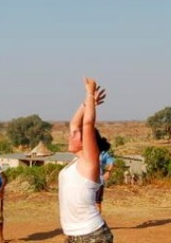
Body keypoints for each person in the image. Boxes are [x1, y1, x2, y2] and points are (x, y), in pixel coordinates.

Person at [59, 78, 113, 242]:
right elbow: (74, 123)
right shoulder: (76, 163)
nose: (71, 135)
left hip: (93, 236)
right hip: (74, 236)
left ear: (86, 142)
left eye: (75, 135)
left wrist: (89, 93)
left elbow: (87, 123)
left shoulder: (90, 163)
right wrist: (88, 103)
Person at [96, 149, 114, 213]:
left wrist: (108, 172)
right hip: (87, 182)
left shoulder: (103, 154)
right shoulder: (86, 151)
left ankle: (97, 221)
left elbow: (111, 162)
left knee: (97, 203)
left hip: (98, 182)